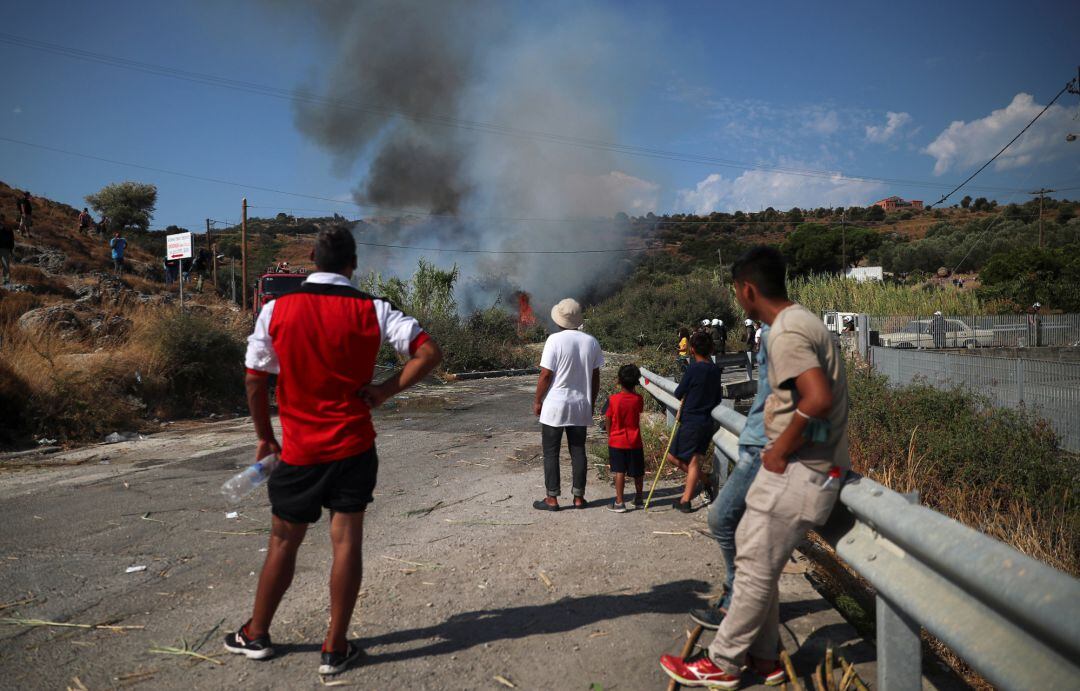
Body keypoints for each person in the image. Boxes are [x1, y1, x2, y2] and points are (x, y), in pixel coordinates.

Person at [227, 226, 443, 675]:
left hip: (300, 451)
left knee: (283, 541)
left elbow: (254, 378)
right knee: (346, 542)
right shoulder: (375, 308)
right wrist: (383, 391)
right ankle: (334, 647)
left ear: (311, 257)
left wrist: (266, 436)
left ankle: (256, 633)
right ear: (354, 263)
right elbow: (428, 353)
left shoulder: (276, 309)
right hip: (353, 446)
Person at [661, 245, 849, 689]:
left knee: (752, 565)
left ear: (747, 290)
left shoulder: (785, 332)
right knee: (752, 560)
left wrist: (780, 448)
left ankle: (723, 662)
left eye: (735, 292)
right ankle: (765, 660)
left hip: (801, 469)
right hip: (803, 466)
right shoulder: (800, 320)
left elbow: (817, 398)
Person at [689, 320, 770, 630]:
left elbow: (812, 399)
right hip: (758, 445)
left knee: (724, 519)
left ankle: (735, 609)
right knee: (748, 534)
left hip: (764, 450)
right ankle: (757, 645)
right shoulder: (777, 332)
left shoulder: (781, 335)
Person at [533, 298, 604, 511]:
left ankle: (552, 499)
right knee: (578, 450)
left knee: (551, 452)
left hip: (555, 405)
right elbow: (595, 376)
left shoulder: (554, 340)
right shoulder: (591, 342)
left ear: (559, 320)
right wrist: (590, 402)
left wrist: (537, 400)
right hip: (580, 405)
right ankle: (579, 498)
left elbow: (546, 375)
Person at [666, 330, 722, 513]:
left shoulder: (693, 368)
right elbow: (718, 397)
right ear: (711, 349)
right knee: (694, 461)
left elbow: (678, 392)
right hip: (707, 422)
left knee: (674, 457)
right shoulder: (714, 370)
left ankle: (686, 500)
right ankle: (705, 481)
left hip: (691, 421)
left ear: (691, 349)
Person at [604, 363, 645, 513]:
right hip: (635, 441)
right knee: (638, 472)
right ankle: (639, 498)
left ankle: (620, 502)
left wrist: (610, 434)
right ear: (636, 382)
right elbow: (638, 411)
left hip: (617, 441)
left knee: (619, 471)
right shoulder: (638, 399)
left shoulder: (613, 399)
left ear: (619, 381)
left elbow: (608, 418)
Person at [0, 213, 13, 285]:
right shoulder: (8, 227)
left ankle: (6, 281)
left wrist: (10, 248)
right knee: (6, 266)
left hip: (5, 249)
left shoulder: (7, 227)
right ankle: (6, 281)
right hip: (5, 249)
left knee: (6, 266)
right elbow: (11, 239)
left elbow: (11, 238)